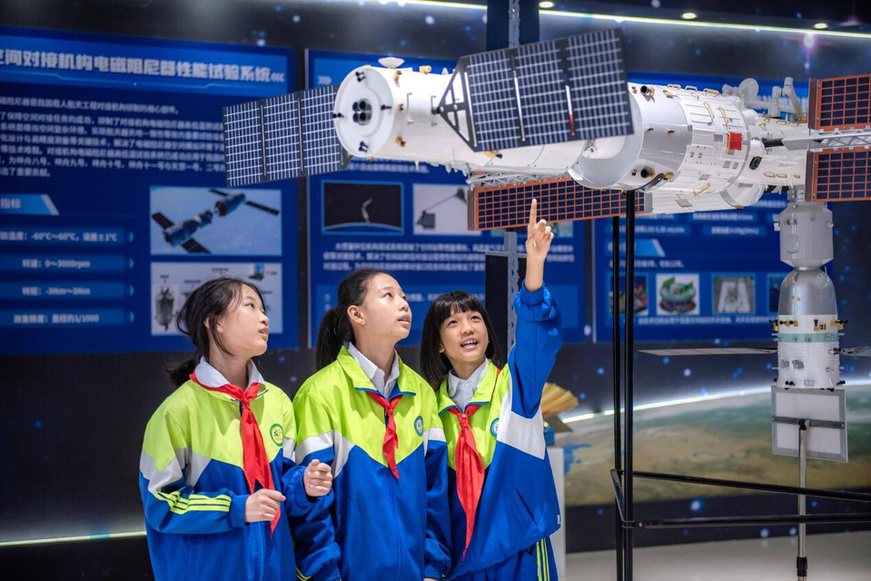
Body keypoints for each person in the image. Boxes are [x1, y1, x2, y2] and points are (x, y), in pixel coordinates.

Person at [139, 277, 339, 581]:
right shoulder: (178, 412)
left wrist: (305, 487)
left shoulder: (277, 402)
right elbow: (161, 504)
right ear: (214, 323)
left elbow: (283, 488)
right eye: (250, 306)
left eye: (264, 309)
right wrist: (236, 508)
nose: (264, 318)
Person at [420, 199, 563, 581]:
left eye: (475, 318)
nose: (467, 328)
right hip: (458, 563)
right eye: (453, 322)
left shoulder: (516, 385)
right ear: (437, 343)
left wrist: (534, 267)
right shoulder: (427, 410)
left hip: (519, 554)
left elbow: (537, 337)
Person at [293, 269, 451, 581]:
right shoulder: (319, 393)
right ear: (357, 314)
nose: (404, 305)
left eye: (404, 297)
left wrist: (433, 567)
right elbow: (312, 504)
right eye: (388, 296)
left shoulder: (420, 392)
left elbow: (436, 490)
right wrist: (326, 574)